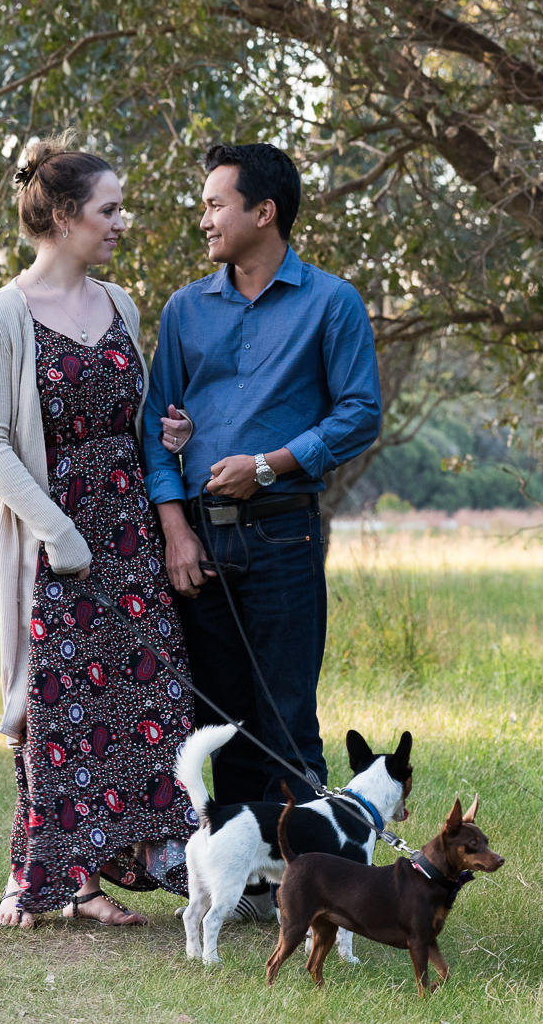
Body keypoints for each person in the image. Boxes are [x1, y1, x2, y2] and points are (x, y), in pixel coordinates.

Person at [0, 138, 200, 929]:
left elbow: (133, 418)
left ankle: (100, 876)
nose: (121, 222)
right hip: (53, 539)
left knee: (142, 698)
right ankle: (39, 876)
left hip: (129, 532)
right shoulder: (1, 317)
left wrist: (167, 435)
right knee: (54, 708)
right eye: (109, 209)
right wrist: (58, 531)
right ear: (64, 217)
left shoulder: (123, 305)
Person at [142, 142, 383, 897]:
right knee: (218, 713)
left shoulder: (331, 303)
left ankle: (310, 887)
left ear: (263, 212)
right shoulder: (185, 309)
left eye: (217, 203)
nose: (205, 217)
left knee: (284, 714)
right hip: (201, 539)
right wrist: (176, 530)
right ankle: (243, 882)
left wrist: (271, 463)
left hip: (284, 530)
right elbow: (156, 425)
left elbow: (360, 414)